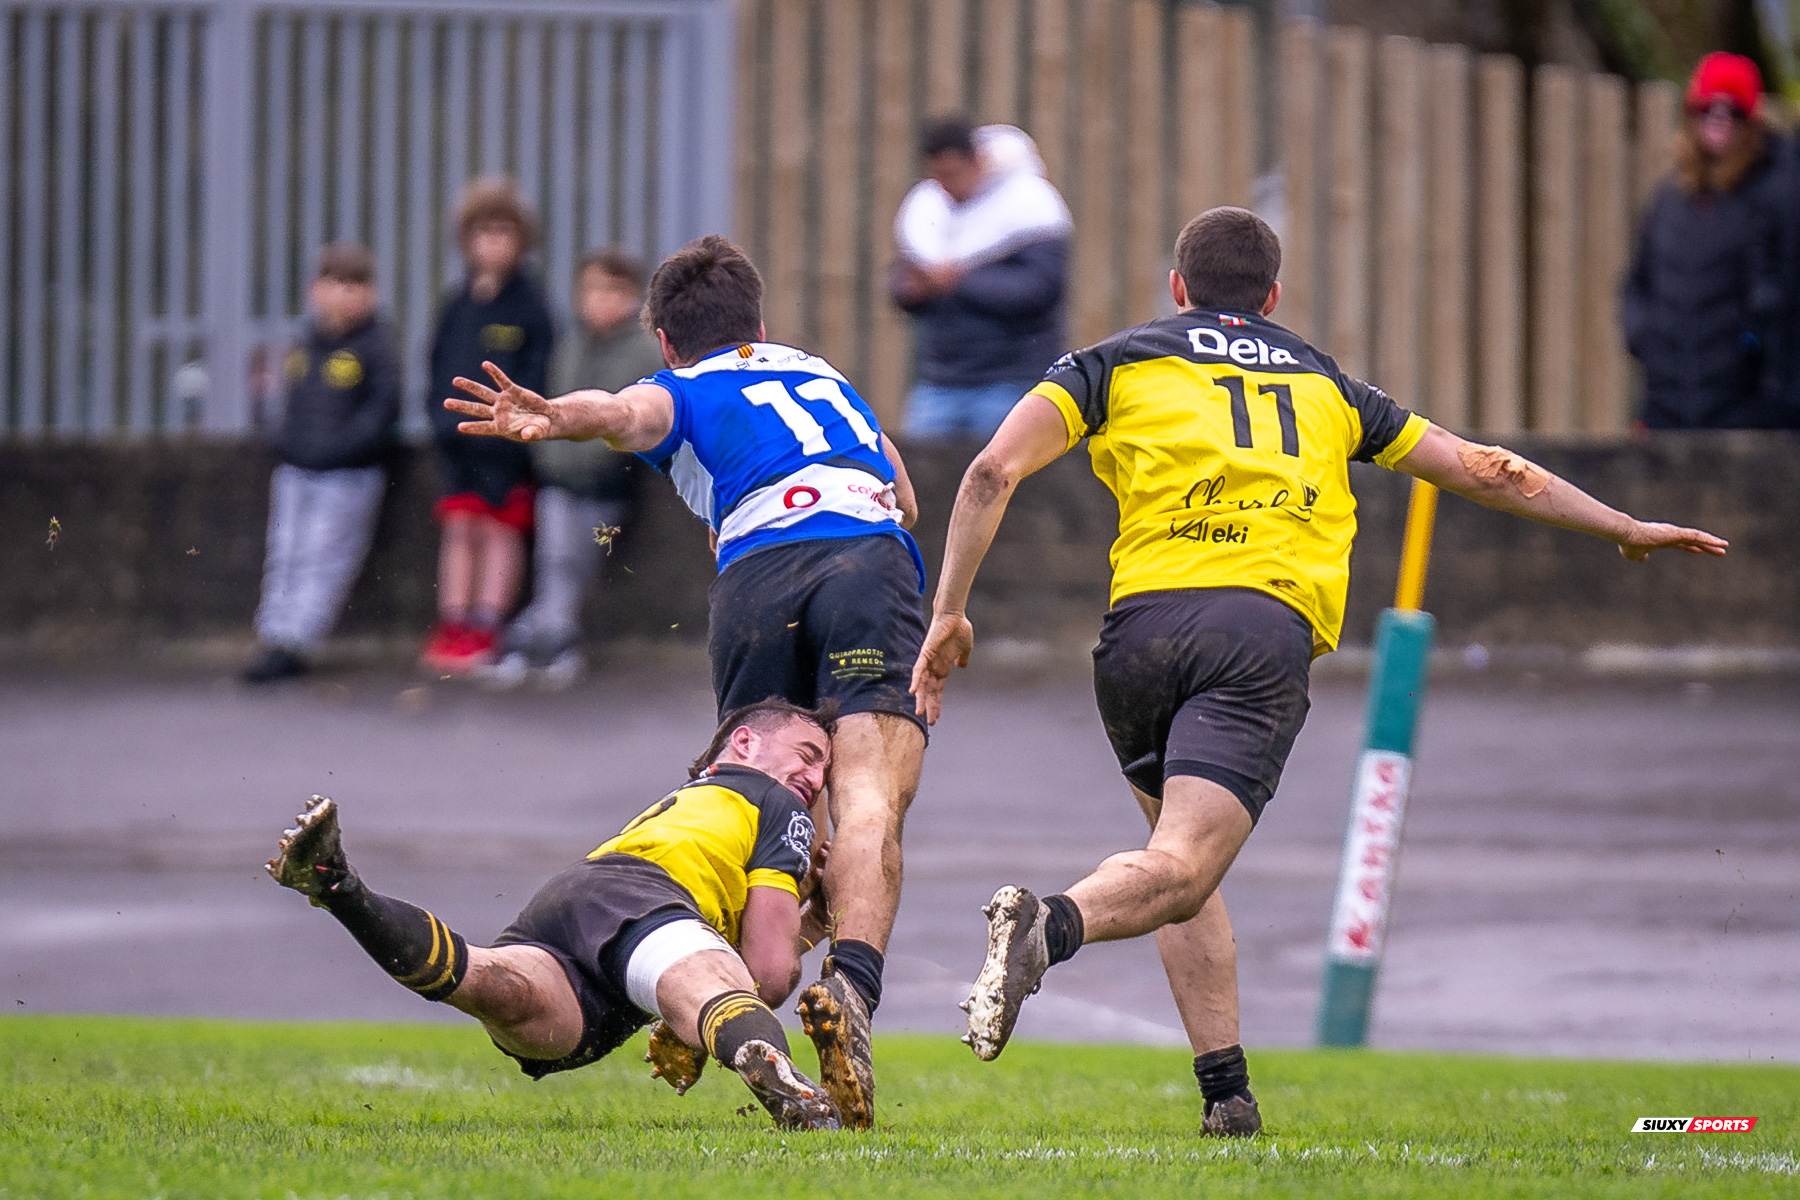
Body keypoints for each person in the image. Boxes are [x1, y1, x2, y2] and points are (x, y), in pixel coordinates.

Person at [912, 207, 1729, 1135]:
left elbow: (988, 473)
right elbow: (1486, 469)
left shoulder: (1114, 362)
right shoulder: (1326, 382)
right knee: (1178, 869)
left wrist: (948, 614)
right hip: (1252, 635)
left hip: (1136, 640)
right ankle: (1048, 928)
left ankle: (1228, 1097)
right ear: (1274, 295)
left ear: (1178, 288)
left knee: (1174, 866)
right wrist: (1623, 527)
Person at [445, 234, 925, 1130]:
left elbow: (624, 414)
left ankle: (729, 985)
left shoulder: (682, 386)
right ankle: (849, 990)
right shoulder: (820, 375)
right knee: (864, 800)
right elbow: (900, 488)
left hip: (759, 573)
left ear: (664, 342)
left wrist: (555, 415)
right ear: (761, 326)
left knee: (762, 797)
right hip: (868, 561)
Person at [265, 698, 843, 1130]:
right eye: (809, 757)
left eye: (824, 774)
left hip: (579, 913)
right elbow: (764, 973)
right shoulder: (778, 805)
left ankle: (338, 887)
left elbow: (727, 950)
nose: (815, 781)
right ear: (743, 744)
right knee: (713, 989)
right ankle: (803, 1108)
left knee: (500, 989)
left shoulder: (698, 800)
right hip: (644, 901)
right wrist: (809, 917)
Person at [486, 248, 667, 689]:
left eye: (613, 291)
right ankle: (544, 640)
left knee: (569, 564)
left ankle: (542, 642)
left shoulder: (641, 355)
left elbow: (628, 422)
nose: (601, 301)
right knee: (554, 562)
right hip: (557, 481)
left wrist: (591, 461)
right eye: (592, 290)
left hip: (603, 488)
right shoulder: (569, 344)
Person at [243, 244, 401, 684]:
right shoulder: (303, 344)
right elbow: (283, 402)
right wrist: (286, 443)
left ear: (371, 294)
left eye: (356, 285)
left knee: (323, 554)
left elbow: (382, 410)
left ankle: (297, 642)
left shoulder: (377, 348)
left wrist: (344, 449)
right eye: (336, 284)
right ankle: (273, 634)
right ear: (315, 291)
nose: (345, 295)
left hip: (348, 475)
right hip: (295, 469)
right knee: (286, 551)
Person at [421, 177, 555, 674]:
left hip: (509, 447)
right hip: (459, 445)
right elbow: (436, 368)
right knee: (461, 527)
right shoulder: (457, 304)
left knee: (501, 531)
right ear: (467, 240)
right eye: (484, 231)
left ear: (522, 241)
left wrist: (520, 431)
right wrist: (440, 422)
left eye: (504, 231)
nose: (493, 242)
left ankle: (487, 624)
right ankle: (453, 622)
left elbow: (541, 375)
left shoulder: (532, 307)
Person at [1622, 52, 1795, 430]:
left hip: (1743, 415)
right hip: (1665, 407)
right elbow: (1637, 283)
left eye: (1732, 110)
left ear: (1751, 122)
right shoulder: (1669, 198)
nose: (1718, 119)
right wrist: (1642, 337)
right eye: (1707, 108)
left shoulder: (1775, 198)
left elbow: (1780, 308)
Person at [891, 115, 1071, 439]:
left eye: (952, 174)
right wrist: (910, 290)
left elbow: (1040, 289)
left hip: (1011, 381)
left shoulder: (1030, 206)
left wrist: (957, 282)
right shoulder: (931, 209)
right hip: (939, 381)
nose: (946, 186)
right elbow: (903, 281)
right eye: (938, 176)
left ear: (978, 163)